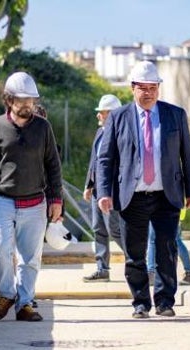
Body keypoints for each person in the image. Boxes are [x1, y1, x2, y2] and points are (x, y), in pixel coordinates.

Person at [96, 61, 190, 319]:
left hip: (167, 195)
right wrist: (104, 192)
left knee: (167, 250)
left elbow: (187, 155)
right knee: (135, 254)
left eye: (153, 87)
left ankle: (165, 302)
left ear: (158, 88)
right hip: (132, 196)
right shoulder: (119, 117)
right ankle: (140, 303)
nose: (148, 93)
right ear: (132, 88)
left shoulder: (175, 115)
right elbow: (106, 158)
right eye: (142, 87)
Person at [0, 72, 63, 322]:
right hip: (1, 200)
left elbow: (53, 165)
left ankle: (25, 304)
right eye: (22, 100)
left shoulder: (43, 127)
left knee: (30, 258)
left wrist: (57, 200)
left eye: (31, 100)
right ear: (9, 100)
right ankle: (7, 293)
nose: (27, 105)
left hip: (35, 202)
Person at [82, 94, 125, 282]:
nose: (98, 116)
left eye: (102, 112)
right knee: (98, 228)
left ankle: (138, 262)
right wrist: (88, 185)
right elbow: (95, 161)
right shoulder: (100, 132)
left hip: (112, 191)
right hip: (97, 191)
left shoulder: (122, 134)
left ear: (113, 114)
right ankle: (102, 268)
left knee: (114, 229)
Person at [147, 208, 190, 286]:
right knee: (176, 239)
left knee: (153, 240)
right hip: (175, 207)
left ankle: (151, 273)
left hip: (159, 206)